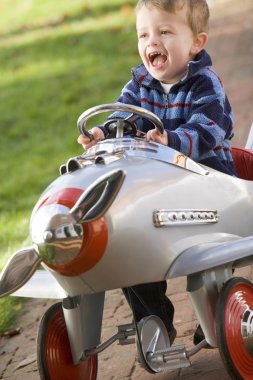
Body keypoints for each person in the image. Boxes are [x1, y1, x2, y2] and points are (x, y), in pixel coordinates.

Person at [78, 0, 237, 346]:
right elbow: (123, 117)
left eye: (165, 31)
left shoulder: (205, 84)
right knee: (124, 238)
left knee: (207, 253)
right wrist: (104, 134)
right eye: (144, 33)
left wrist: (173, 140)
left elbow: (208, 128)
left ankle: (217, 314)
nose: (152, 41)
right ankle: (154, 319)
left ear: (197, 42)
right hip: (160, 188)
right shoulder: (138, 84)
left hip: (207, 182)